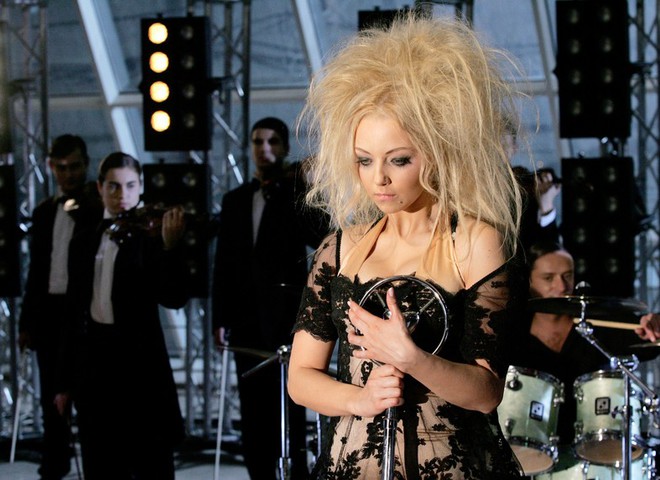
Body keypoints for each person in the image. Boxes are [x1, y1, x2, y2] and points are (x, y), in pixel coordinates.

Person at [288, 14, 530, 479]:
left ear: (435, 154)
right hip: (352, 466)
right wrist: (360, 399)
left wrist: (412, 359)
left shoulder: (474, 242)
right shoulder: (340, 249)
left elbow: (486, 393)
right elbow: (301, 379)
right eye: (364, 160)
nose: (378, 178)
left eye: (398, 160)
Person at [56, 152, 189, 479]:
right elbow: (72, 311)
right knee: (101, 464)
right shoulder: (84, 238)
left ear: (140, 187)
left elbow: (174, 298)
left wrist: (171, 248)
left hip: (140, 366)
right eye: (113, 186)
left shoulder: (150, 235)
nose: (122, 195)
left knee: (151, 465)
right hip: (95, 366)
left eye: (130, 186)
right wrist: (64, 381)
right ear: (100, 188)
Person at [212, 117, 327, 479]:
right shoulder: (234, 200)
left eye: (272, 142)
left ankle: (295, 473)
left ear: (284, 148)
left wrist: (310, 187)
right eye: (258, 142)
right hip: (245, 320)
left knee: (290, 405)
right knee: (252, 409)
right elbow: (223, 264)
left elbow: (322, 237)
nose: (264, 149)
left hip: (285, 318)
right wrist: (219, 318)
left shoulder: (295, 194)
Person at [510, 240, 660, 476]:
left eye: (567, 276)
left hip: (590, 458)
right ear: (529, 281)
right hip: (523, 455)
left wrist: (652, 324)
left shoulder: (595, 327)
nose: (562, 286)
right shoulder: (512, 332)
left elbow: (647, 340)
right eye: (549, 278)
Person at [18, 134, 102, 480]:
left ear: (86, 165)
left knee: (89, 393)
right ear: (52, 168)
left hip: (83, 311)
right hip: (50, 311)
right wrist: (27, 322)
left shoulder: (96, 208)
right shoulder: (43, 212)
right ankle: (54, 463)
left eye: (75, 167)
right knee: (51, 395)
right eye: (62, 168)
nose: (68, 175)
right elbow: (36, 271)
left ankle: (97, 463)